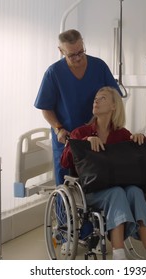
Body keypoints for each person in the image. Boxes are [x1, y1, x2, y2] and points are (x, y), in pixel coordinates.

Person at [61, 86, 146, 260]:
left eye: (102, 98)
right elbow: (64, 161)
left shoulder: (122, 134)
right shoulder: (81, 132)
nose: (96, 101)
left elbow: (143, 157)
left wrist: (140, 139)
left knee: (135, 192)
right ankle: (118, 254)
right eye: (95, 98)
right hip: (91, 191)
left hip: (119, 188)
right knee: (117, 193)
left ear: (114, 106)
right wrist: (85, 143)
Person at [34, 29, 121, 186]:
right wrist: (58, 128)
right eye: (72, 55)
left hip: (98, 135)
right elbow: (45, 107)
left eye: (81, 52)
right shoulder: (54, 73)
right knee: (67, 185)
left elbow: (115, 97)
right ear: (61, 51)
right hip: (68, 139)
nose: (78, 58)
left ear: (83, 44)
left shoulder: (99, 67)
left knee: (102, 182)